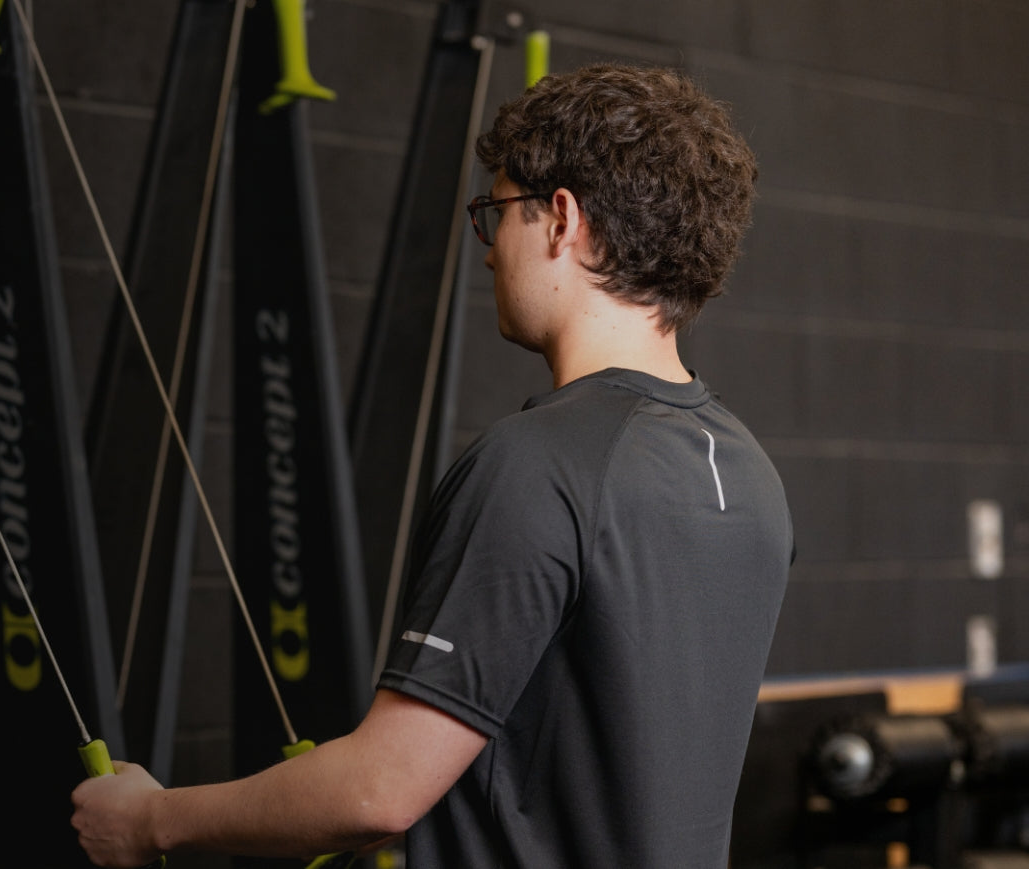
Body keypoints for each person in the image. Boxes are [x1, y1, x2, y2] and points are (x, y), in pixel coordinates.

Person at [70, 63, 793, 868]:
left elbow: (378, 791)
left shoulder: (540, 465)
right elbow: (593, 767)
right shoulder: (751, 473)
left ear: (561, 220)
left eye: (498, 215)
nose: (488, 254)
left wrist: (150, 820)